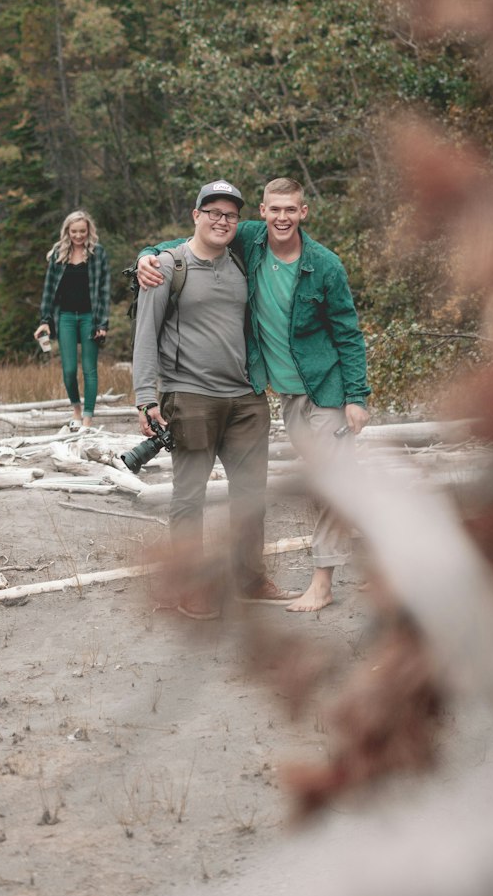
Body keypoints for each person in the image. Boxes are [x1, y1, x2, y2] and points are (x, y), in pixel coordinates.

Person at [137, 176, 370, 612]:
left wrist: (357, 396)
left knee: (313, 485)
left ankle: (293, 580)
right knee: (201, 495)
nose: (281, 217)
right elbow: (186, 243)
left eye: (291, 209)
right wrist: (147, 255)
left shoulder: (320, 265)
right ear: (262, 213)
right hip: (245, 395)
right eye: (273, 209)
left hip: (306, 393)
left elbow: (348, 334)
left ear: (303, 212)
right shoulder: (233, 246)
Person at [133, 179, 291, 619]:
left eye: (230, 215)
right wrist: (146, 399)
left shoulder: (241, 261)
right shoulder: (167, 266)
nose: (222, 221)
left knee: (250, 496)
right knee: (189, 497)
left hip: (245, 399)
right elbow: (144, 336)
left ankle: (249, 579)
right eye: (214, 212)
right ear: (196, 215)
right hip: (190, 397)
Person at [33, 210, 110, 429]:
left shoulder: (98, 253)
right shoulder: (58, 253)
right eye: (74, 231)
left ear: (88, 231)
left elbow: (104, 291)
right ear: (67, 231)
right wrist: (44, 320)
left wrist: (102, 324)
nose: (78, 236)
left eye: (82, 231)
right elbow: (48, 290)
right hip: (65, 317)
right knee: (68, 370)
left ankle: (87, 419)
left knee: (89, 369)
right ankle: (76, 410)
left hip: (90, 317)